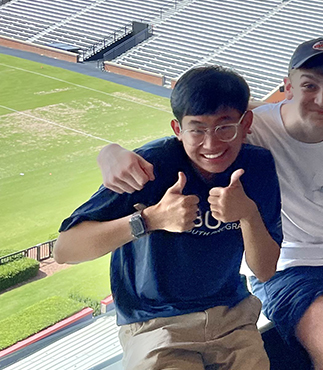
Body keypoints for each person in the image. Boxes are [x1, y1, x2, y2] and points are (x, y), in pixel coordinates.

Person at [94, 40, 323, 370]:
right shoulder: (253, 127)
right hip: (287, 266)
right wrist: (110, 152)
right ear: (287, 85)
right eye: (309, 85)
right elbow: (198, 137)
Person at [55, 65, 281, 370]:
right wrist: (149, 220)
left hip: (231, 318)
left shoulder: (258, 166)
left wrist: (248, 214)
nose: (211, 144)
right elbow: (66, 249)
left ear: (246, 123)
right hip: (155, 324)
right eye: (197, 129)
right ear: (178, 130)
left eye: (224, 127)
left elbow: (265, 270)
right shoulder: (151, 167)